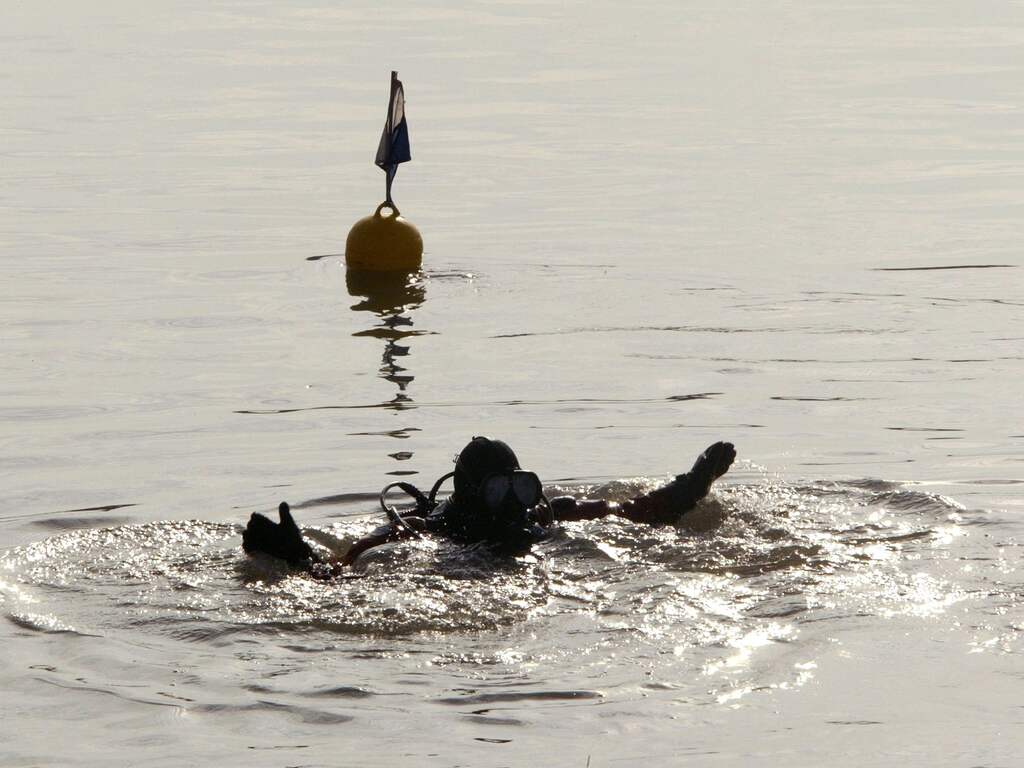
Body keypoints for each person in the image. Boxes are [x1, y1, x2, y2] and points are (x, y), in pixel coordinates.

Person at [242, 437, 736, 575]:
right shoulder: (432, 528)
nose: (512, 504)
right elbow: (357, 556)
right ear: (470, 494)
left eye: (518, 489)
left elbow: (633, 511)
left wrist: (692, 486)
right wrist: (300, 557)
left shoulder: (545, 511)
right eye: (499, 492)